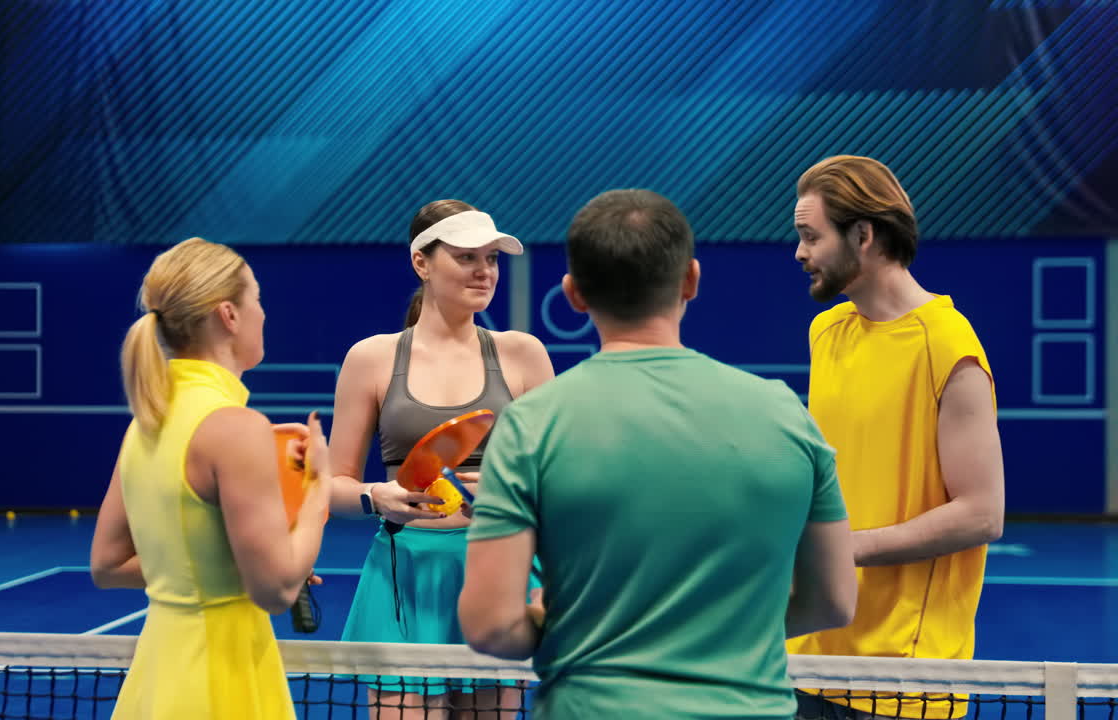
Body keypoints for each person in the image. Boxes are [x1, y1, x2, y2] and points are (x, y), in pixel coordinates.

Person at [459, 188, 857, 719]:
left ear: (573, 294)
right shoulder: (787, 415)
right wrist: (725, 626)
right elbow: (833, 600)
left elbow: (489, 624)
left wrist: (568, 621)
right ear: (691, 279)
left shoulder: (530, 427)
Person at [787, 155, 1006, 719]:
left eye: (811, 236)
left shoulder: (948, 346)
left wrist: (846, 550)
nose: (800, 253)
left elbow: (983, 514)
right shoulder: (826, 332)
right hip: (808, 659)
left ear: (863, 235)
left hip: (903, 678)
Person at [327, 200, 554, 718]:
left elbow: (558, 481)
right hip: (403, 577)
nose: (484, 270)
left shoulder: (523, 354)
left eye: (492, 258)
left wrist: (510, 492)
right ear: (421, 263)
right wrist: (373, 496)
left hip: (498, 576)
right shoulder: (371, 358)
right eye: (466, 256)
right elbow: (331, 486)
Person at [90, 237, 332, 720]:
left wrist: (243, 563)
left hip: (157, 677)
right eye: (257, 299)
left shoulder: (145, 423)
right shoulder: (236, 427)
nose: (264, 313)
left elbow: (107, 565)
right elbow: (277, 591)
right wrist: (319, 489)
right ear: (229, 315)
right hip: (221, 682)